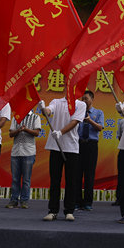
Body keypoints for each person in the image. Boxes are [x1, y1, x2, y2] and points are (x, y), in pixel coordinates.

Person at [40, 93, 85, 222]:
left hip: (71, 147)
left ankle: (69, 211)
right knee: (55, 180)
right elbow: (49, 111)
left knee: (71, 181)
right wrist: (44, 109)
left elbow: (75, 121)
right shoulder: (56, 101)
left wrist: (61, 132)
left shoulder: (80, 104)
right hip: (55, 147)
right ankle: (53, 210)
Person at [6, 106, 41, 209]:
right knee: (15, 178)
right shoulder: (16, 118)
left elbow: (37, 133)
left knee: (26, 179)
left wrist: (25, 129)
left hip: (28, 152)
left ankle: (24, 201)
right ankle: (14, 200)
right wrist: (18, 130)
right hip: (16, 152)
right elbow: (11, 134)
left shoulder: (35, 117)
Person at [77, 90, 104, 211]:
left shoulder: (98, 112)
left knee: (89, 174)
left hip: (91, 145)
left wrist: (90, 121)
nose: (84, 101)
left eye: (86, 98)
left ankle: (88, 202)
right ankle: (77, 202)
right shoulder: (78, 112)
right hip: (78, 144)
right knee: (77, 174)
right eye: (82, 99)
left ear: (92, 99)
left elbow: (100, 127)